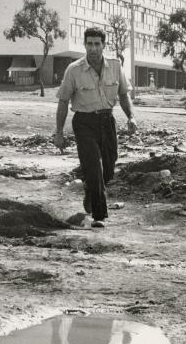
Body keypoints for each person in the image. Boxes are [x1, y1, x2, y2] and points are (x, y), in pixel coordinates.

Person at [53, 27, 137, 228]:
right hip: (84, 123)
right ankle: (99, 216)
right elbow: (63, 101)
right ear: (85, 45)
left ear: (103, 45)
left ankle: (90, 190)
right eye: (89, 43)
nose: (93, 48)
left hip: (107, 122)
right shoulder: (74, 70)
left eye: (97, 44)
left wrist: (131, 117)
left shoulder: (116, 66)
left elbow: (124, 95)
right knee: (94, 167)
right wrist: (59, 133)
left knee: (107, 170)